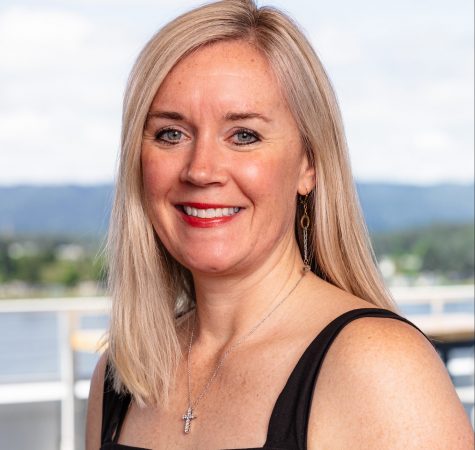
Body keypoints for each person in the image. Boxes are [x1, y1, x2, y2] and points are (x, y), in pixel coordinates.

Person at [86, 1, 474, 448]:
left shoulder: (380, 368)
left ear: (308, 164)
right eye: (171, 134)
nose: (201, 169)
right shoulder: (120, 376)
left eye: (244, 135)